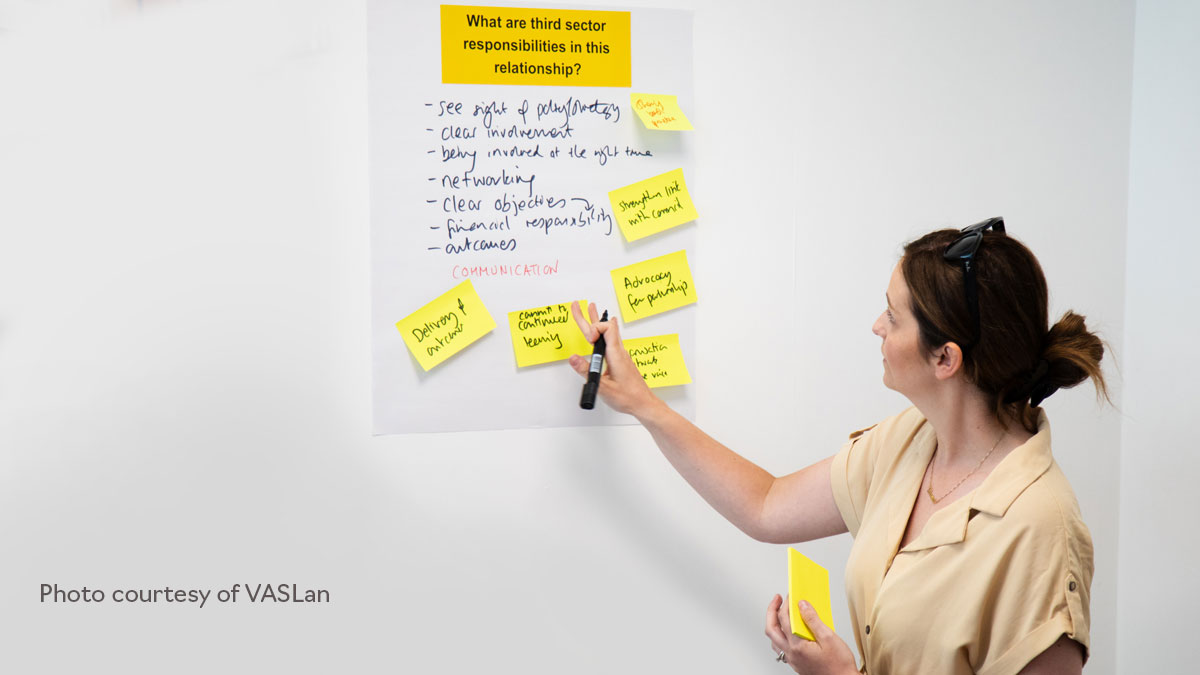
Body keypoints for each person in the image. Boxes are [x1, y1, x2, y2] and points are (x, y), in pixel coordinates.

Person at [568, 217, 1107, 675]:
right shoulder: (909, 442)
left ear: (945, 359)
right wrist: (644, 404)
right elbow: (766, 504)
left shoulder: (1041, 527)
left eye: (893, 317)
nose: (876, 327)